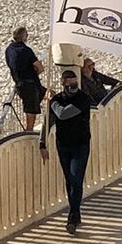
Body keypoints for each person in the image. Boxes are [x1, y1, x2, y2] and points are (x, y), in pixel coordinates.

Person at [38, 70, 94, 234]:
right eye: (69, 83)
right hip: (63, 145)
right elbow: (47, 122)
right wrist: (42, 143)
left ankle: (72, 216)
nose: (73, 86)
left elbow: (63, 114)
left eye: (74, 82)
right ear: (63, 83)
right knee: (69, 181)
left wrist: (52, 103)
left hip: (81, 144)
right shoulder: (57, 99)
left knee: (76, 179)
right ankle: (75, 213)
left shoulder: (83, 98)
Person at [6, 26, 46, 131]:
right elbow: (40, 68)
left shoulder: (9, 49)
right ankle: (29, 132)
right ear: (23, 37)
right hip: (30, 85)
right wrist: (35, 69)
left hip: (19, 84)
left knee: (48, 94)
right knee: (31, 112)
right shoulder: (26, 50)